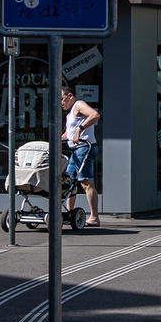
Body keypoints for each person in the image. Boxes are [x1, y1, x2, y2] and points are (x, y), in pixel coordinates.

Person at [61, 88, 100, 227]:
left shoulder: (78, 105)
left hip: (84, 148)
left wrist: (80, 129)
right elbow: (67, 134)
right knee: (69, 182)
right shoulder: (70, 114)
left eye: (62, 99)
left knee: (85, 182)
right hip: (76, 150)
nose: (61, 103)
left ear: (70, 96)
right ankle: (70, 214)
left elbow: (95, 115)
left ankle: (94, 217)